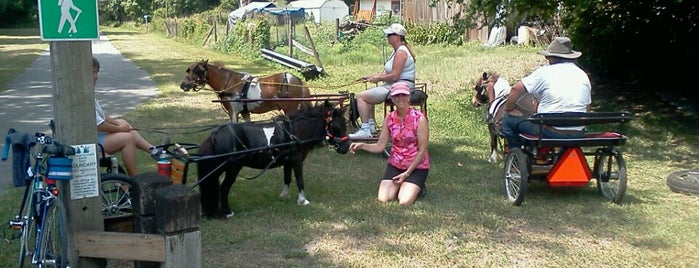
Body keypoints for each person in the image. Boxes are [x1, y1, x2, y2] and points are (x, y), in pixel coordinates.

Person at [501, 37, 592, 149]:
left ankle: (516, 157)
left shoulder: (545, 72)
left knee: (508, 121)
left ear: (551, 58)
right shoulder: (582, 75)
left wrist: (509, 109)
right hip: (578, 133)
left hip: (550, 132)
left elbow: (515, 89)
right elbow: (587, 108)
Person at [349, 82, 430, 205]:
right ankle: (403, 184)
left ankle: (417, 185)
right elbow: (380, 146)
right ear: (392, 98)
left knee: (404, 201)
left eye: (403, 95)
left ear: (409, 97)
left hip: (416, 166)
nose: (400, 98)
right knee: (384, 198)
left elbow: (422, 151)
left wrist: (407, 173)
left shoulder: (419, 119)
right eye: (397, 96)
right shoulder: (390, 118)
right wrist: (362, 146)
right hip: (395, 164)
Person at [92, 57, 160, 176]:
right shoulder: (82, 94)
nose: (96, 76)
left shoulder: (87, 91)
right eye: (93, 72)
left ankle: (153, 150)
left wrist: (118, 123)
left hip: (94, 136)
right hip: (91, 142)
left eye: (97, 72)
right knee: (127, 138)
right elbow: (98, 125)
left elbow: (101, 116)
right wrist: (120, 129)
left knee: (122, 122)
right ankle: (134, 180)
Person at [350, 23, 416, 139]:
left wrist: (378, 78)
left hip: (399, 86)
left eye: (390, 35)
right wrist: (370, 77)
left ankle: (365, 129)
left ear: (397, 37)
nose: (388, 38)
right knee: (370, 93)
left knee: (361, 97)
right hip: (393, 85)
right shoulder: (396, 52)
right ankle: (371, 126)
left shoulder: (401, 53)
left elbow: (395, 76)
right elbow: (386, 73)